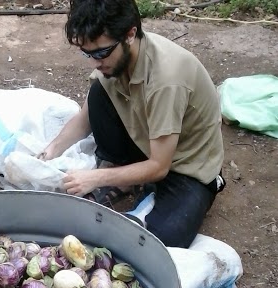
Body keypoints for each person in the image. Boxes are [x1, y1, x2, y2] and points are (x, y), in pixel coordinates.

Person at [40, 0, 225, 248]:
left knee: (160, 240)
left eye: (101, 53)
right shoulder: (114, 60)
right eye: (87, 53)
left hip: (185, 165)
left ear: (130, 34)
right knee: (98, 93)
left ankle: (139, 183)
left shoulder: (166, 79)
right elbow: (84, 120)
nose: (94, 62)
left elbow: (160, 166)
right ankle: (125, 176)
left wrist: (95, 178)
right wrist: (49, 153)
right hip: (148, 142)